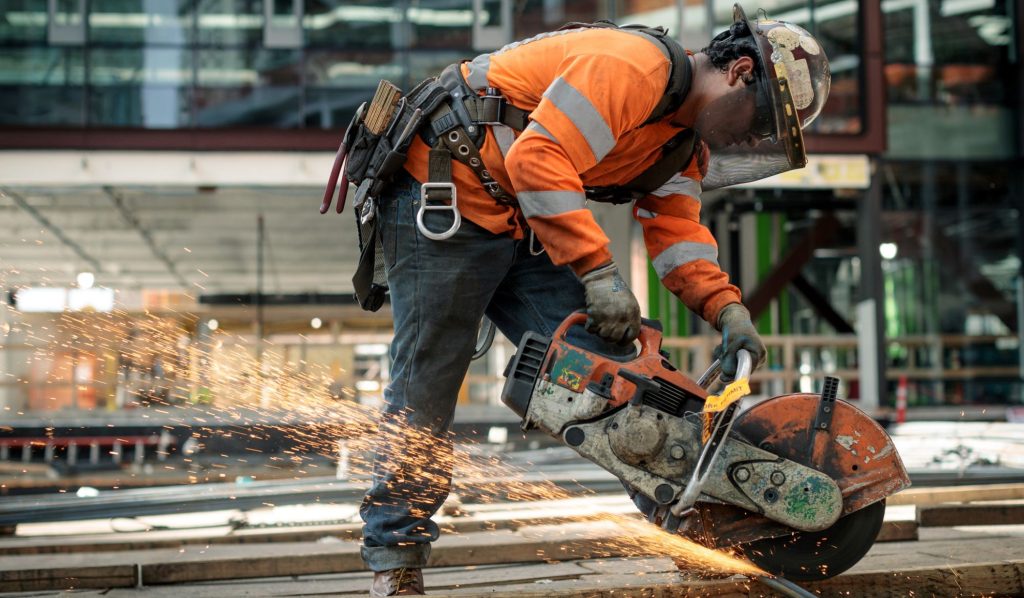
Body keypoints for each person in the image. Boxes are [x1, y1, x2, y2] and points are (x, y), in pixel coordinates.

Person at [333, 5, 831, 595]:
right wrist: (598, 273)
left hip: (520, 214)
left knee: (614, 372)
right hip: (446, 191)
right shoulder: (632, 69)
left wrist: (729, 312)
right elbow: (536, 158)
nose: (753, 141)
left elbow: (678, 243)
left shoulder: (679, 148)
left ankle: (695, 531)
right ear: (741, 72)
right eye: (760, 125)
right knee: (428, 381)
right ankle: (395, 558)